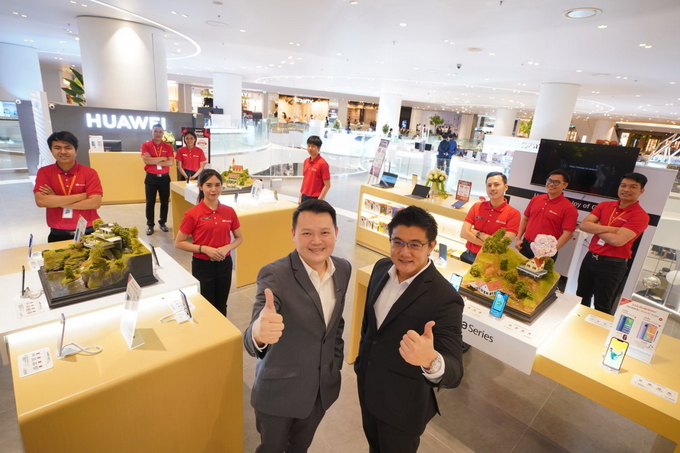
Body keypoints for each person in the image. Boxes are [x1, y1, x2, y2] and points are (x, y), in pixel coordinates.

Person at [244, 199, 352, 453]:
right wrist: (259, 333)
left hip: (321, 390)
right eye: (306, 233)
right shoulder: (274, 274)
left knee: (300, 448)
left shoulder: (343, 269)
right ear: (293, 234)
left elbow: (335, 325)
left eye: (324, 232)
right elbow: (252, 335)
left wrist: (334, 364)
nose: (316, 241)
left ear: (336, 232)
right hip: (279, 392)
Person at [355, 205, 464, 453]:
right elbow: (369, 326)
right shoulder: (381, 268)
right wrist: (361, 363)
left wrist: (430, 360)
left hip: (402, 407)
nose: (404, 252)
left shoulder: (445, 297)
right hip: (368, 387)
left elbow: (455, 372)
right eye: (398, 242)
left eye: (415, 244)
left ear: (431, 246)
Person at [576, 172, 649, 314]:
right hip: (590, 258)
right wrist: (612, 229)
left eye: (633, 187)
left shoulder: (640, 215)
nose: (626, 189)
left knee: (602, 305)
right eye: (623, 185)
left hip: (612, 265)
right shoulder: (605, 205)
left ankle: (597, 328)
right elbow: (584, 225)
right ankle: (577, 323)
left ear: (642, 191)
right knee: (580, 297)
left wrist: (596, 227)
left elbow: (617, 241)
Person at [174, 169, 243, 317]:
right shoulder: (192, 214)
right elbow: (179, 242)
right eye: (209, 185)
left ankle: (223, 330)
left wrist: (227, 248)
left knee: (222, 304)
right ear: (200, 187)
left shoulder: (229, 211)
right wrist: (204, 249)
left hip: (225, 264)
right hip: (203, 266)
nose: (214, 189)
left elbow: (239, 238)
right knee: (206, 306)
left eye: (217, 185)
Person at [33, 131, 103, 243]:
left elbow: (95, 203)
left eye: (68, 147)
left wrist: (55, 200)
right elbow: (41, 201)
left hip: (88, 229)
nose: (63, 152)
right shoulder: (44, 172)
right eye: (57, 147)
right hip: (57, 232)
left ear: (76, 150)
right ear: (51, 150)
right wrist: (82, 196)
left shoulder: (89, 173)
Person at [515, 169, 578, 261]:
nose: (551, 184)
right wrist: (518, 239)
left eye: (556, 182)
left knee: (539, 271)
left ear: (565, 185)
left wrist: (551, 252)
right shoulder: (536, 199)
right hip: (525, 246)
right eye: (550, 180)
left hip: (546, 252)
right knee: (518, 270)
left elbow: (567, 234)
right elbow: (525, 219)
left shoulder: (569, 208)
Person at [460, 171, 521, 264]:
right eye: (489, 185)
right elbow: (464, 233)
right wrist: (491, 245)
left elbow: (502, 244)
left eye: (496, 184)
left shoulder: (514, 214)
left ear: (505, 187)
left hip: (492, 261)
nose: (492, 188)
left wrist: (477, 233)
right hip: (469, 256)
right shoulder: (477, 206)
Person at [141, 123, 174, 235]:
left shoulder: (168, 147)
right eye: (155, 131)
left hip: (164, 178)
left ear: (163, 133)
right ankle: (150, 225)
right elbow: (146, 161)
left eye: (160, 131)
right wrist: (163, 158)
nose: (158, 134)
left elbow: (170, 162)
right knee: (150, 202)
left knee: (165, 202)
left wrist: (153, 159)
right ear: (151, 132)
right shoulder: (146, 145)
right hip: (151, 178)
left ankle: (162, 223)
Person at [298, 135, 331, 204]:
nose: (310, 148)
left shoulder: (323, 164)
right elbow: (305, 180)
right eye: (309, 146)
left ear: (319, 147)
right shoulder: (306, 161)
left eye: (313, 146)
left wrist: (319, 201)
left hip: (315, 198)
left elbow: (327, 185)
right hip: (304, 196)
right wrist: (300, 196)